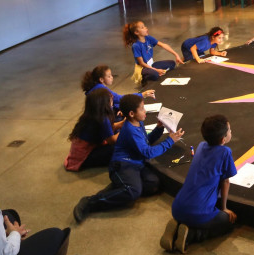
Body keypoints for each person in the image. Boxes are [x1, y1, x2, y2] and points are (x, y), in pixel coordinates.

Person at [73, 94, 184, 222]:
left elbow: (145, 142)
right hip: (122, 164)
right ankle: (90, 202)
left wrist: (159, 129)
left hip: (136, 163)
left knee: (153, 183)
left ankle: (120, 186)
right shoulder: (130, 130)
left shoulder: (138, 123)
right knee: (133, 191)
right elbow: (147, 152)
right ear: (131, 113)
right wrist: (169, 141)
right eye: (142, 108)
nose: (145, 111)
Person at [161, 115, 237, 254]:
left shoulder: (201, 146)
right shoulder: (225, 152)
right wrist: (224, 208)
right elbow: (225, 181)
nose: (231, 132)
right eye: (230, 131)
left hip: (177, 207)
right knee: (228, 223)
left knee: (201, 212)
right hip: (198, 213)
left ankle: (179, 225)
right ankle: (191, 234)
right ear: (223, 139)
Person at [64, 88, 124, 172]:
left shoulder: (93, 114)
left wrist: (122, 123)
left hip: (81, 151)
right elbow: (112, 140)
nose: (112, 103)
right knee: (120, 147)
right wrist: (125, 130)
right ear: (106, 104)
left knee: (119, 135)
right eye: (111, 101)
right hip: (85, 156)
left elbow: (110, 127)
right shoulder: (103, 119)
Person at [81, 64, 153, 114]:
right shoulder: (101, 90)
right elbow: (119, 99)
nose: (112, 77)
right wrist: (142, 95)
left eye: (111, 75)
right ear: (101, 79)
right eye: (109, 76)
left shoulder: (97, 86)